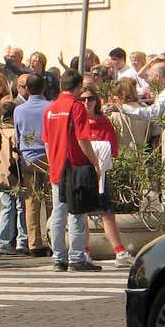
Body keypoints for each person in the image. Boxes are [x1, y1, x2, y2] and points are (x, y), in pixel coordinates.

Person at [108, 63, 165, 218]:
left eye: (150, 76)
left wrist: (123, 109)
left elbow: (153, 114)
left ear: (158, 77)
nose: (148, 79)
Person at [43, 69, 103, 272]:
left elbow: (47, 143)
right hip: (75, 166)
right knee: (77, 213)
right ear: (77, 87)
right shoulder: (76, 108)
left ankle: (58, 257)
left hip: (57, 167)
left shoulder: (50, 109)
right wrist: (94, 163)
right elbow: (82, 139)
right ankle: (76, 257)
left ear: (61, 85)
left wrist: (53, 163)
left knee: (58, 214)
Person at [79, 85, 132, 268]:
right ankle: (84, 251)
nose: (87, 102)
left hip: (100, 172)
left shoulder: (104, 122)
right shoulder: (77, 122)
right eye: (83, 99)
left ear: (97, 101)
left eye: (90, 98)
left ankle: (120, 252)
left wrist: (99, 151)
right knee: (82, 214)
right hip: (82, 171)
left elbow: (113, 146)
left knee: (107, 214)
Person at [14, 73, 52, 257]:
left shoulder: (19, 110)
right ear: (44, 88)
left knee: (31, 202)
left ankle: (34, 243)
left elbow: (18, 135)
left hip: (28, 158)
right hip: (49, 156)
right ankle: (54, 239)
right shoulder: (50, 107)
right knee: (52, 201)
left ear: (26, 89)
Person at [0, 98, 27, 256]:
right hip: (15, 174)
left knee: (6, 207)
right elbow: (16, 155)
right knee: (20, 207)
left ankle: (3, 240)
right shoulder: (14, 133)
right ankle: (21, 239)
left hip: (0, 174)